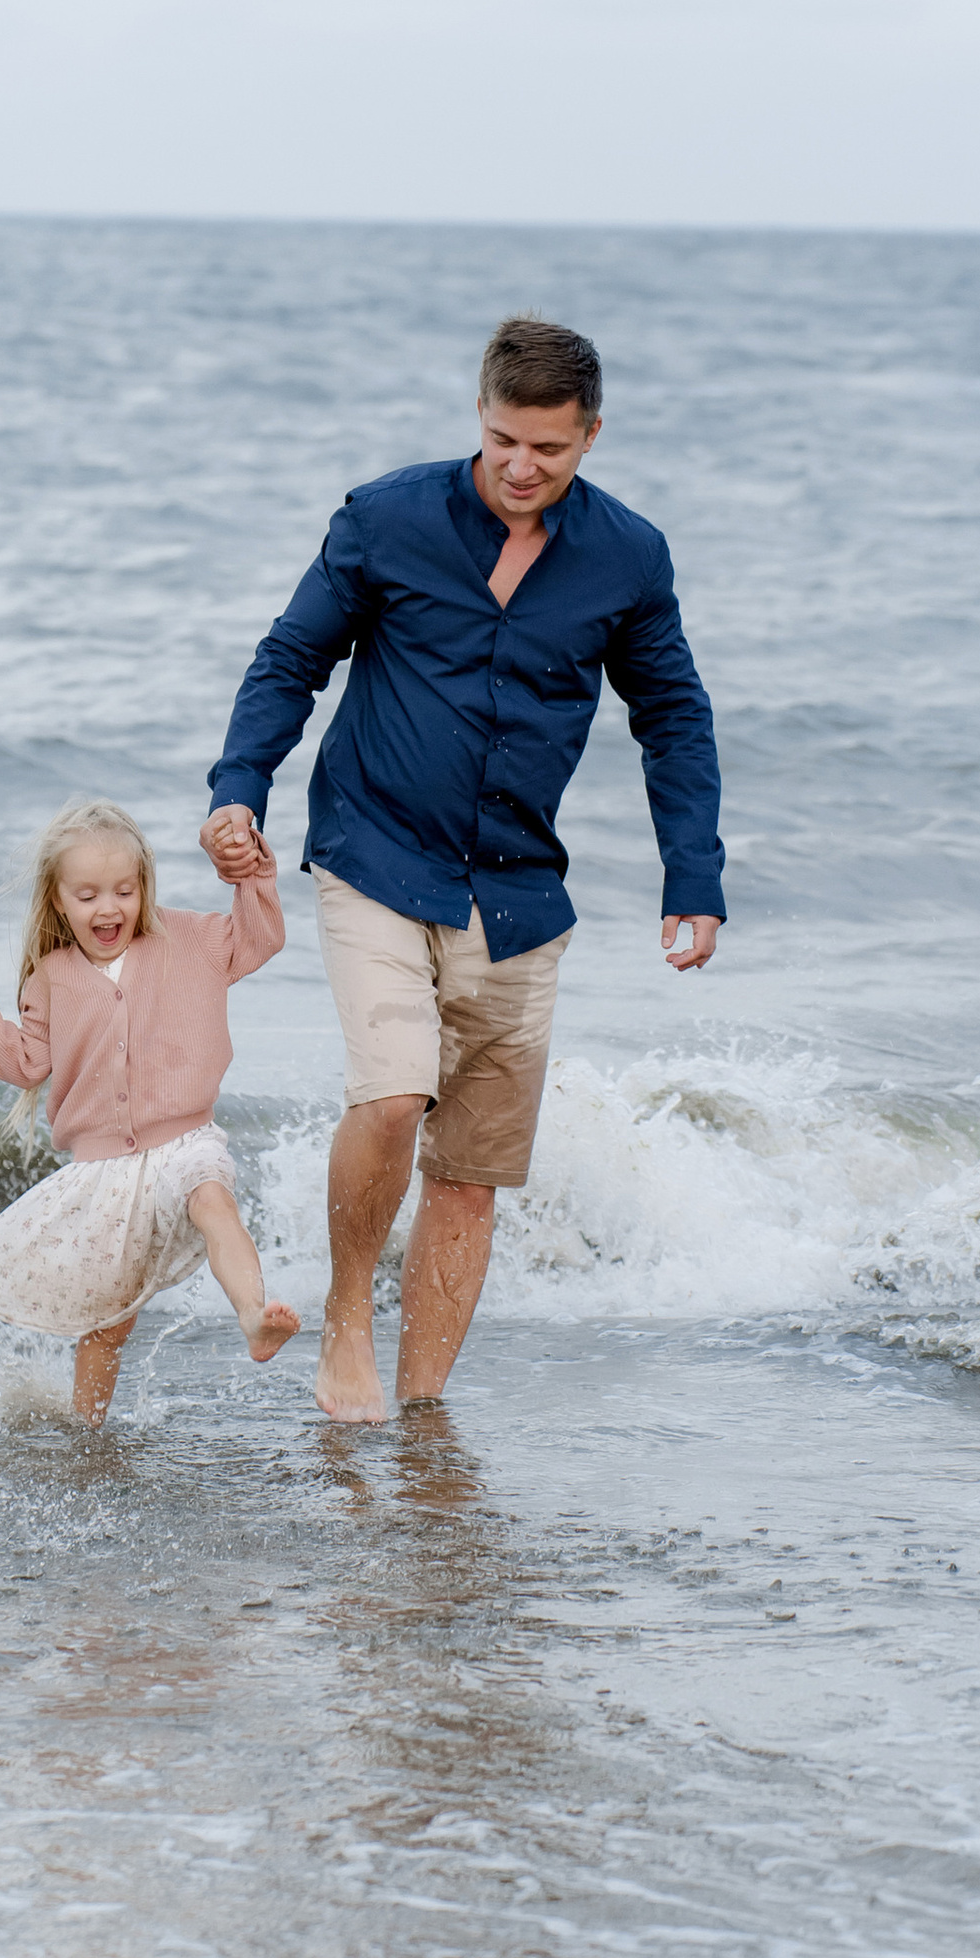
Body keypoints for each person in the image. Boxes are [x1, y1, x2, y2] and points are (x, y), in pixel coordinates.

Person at [202, 315, 724, 1424]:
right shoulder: (385, 518)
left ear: (590, 434)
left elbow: (672, 715)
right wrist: (238, 787)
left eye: (548, 448)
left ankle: (425, 1412)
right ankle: (347, 1324)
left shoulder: (628, 555)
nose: (521, 468)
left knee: (470, 1173)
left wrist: (693, 875)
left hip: (518, 891)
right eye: (501, 441)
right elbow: (291, 658)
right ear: (476, 417)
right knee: (390, 1100)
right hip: (376, 853)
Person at [0, 798, 300, 1424]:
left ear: (144, 886)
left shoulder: (190, 939)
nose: (108, 908)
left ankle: (254, 1318)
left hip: (186, 1139)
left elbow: (261, 936)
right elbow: (26, 1062)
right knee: (109, 1325)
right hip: (104, 1171)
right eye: (87, 897)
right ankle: (90, 1433)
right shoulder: (50, 977)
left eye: (124, 891)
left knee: (214, 1201)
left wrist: (250, 874)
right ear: (58, 902)